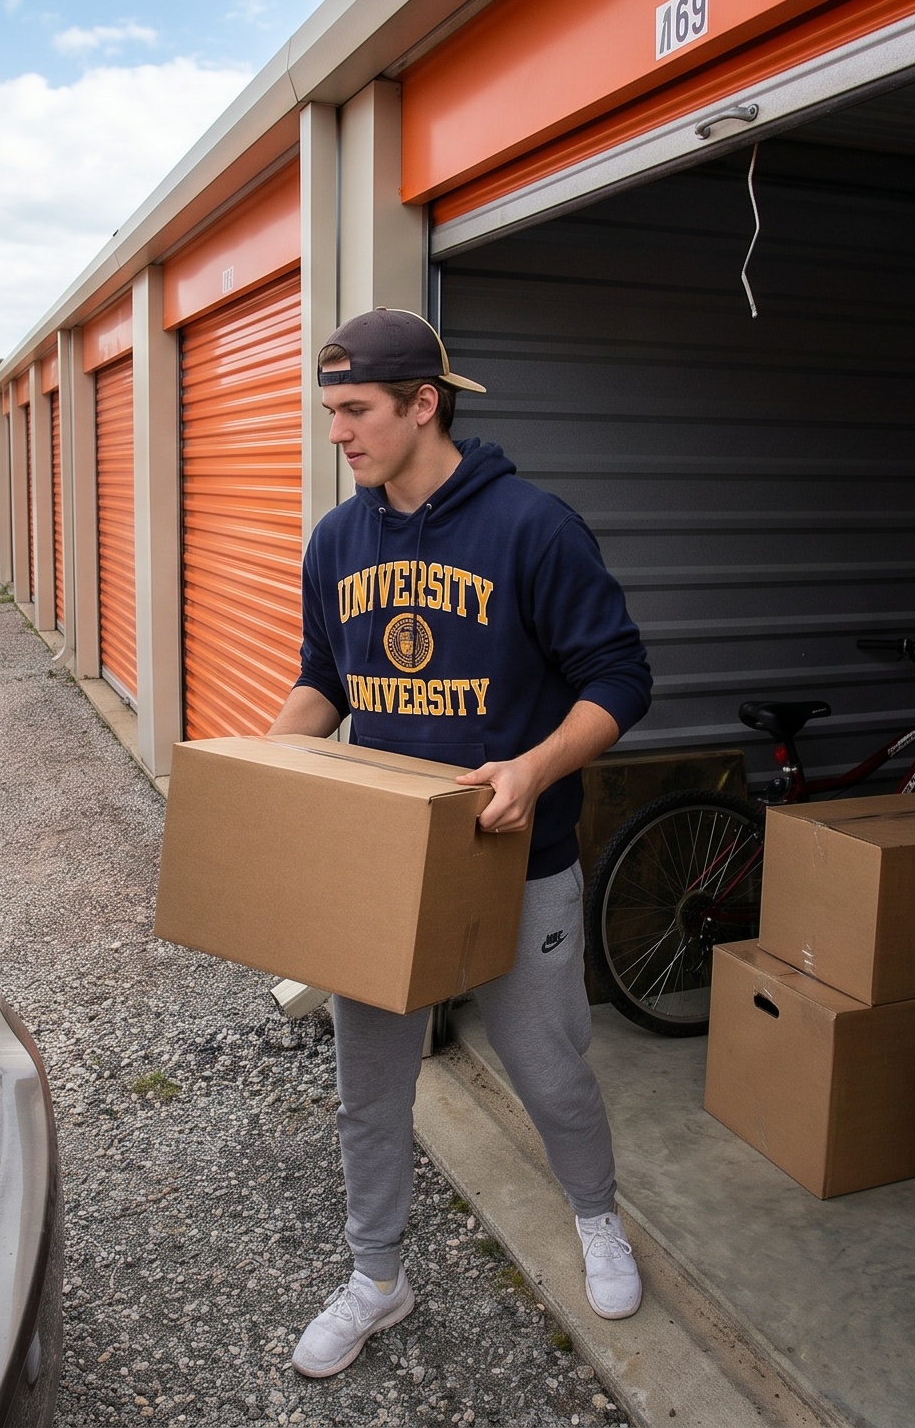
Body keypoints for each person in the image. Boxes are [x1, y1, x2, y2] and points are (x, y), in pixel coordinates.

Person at [265, 308, 654, 1378]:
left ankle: (594, 1218)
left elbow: (621, 679)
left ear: (421, 404)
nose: (336, 433)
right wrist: (258, 763)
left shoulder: (533, 527)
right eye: (329, 411)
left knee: (550, 1070)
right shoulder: (338, 540)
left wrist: (534, 767)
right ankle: (376, 1279)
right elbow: (324, 680)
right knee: (370, 1089)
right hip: (385, 868)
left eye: (353, 412)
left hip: (514, 862)